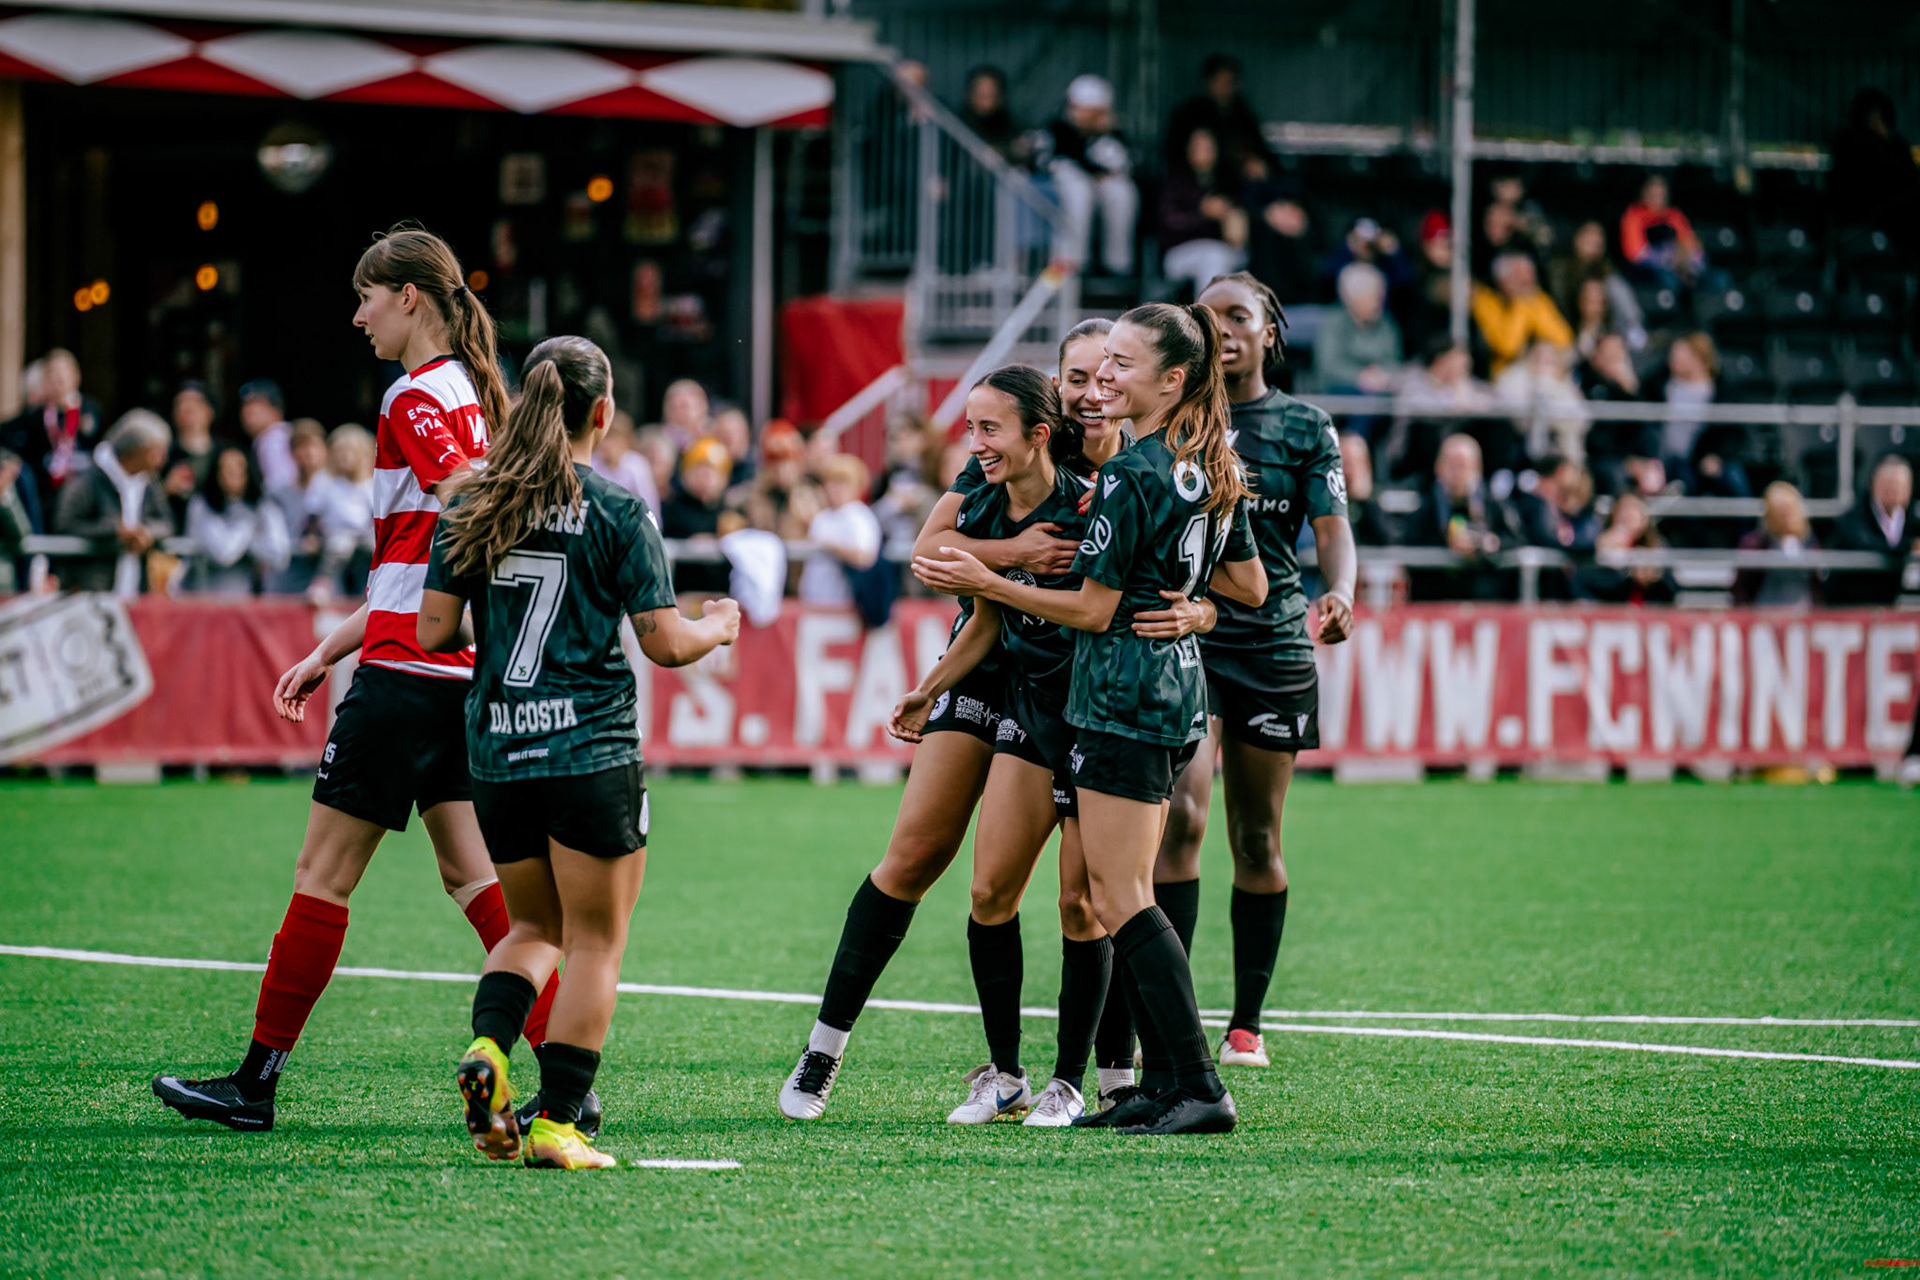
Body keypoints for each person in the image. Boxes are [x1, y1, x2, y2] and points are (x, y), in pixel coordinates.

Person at [150, 227, 564, 1135]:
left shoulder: (414, 396)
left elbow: (462, 499)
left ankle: (255, 1083)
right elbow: (422, 562)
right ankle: (572, 1085)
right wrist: (326, 651)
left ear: (409, 297)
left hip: (406, 682)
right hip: (457, 676)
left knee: (322, 876)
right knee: (473, 880)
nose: (357, 314)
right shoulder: (476, 394)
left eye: (368, 296)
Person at [913, 302, 1266, 1136]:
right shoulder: (1212, 460)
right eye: (1101, 364)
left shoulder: (1136, 471)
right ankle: (1163, 1082)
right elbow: (1249, 588)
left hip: (1122, 695)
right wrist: (1198, 614)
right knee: (1121, 894)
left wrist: (994, 588)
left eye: (1122, 367)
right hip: (1174, 690)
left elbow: (1094, 608)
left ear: (1171, 381)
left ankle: (1198, 1085)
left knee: (1120, 897)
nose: (1103, 380)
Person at [775, 318, 1132, 1124]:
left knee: (1086, 893)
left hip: (1065, 695)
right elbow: (936, 560)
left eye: (1096, 377)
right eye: (1073, 376)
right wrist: (1010, 563)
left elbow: (1098, 597)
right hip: (985, 665)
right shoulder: (988, 480)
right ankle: (824, 1052)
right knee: (914, 857)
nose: (1087, 391)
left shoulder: (1112, 485)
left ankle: (1101, 1076)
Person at [420, 335, 740, 1170]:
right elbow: (665, 644)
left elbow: (432, 631)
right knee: (596, 941)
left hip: (497, 749)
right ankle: (559, 1122)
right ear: (603, 413)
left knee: (531, 926)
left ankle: (489, 1051)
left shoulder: (470, 502)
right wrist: (719, 627)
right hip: (590, 750)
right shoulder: (620, 508)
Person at [883, 367, 1106, 1125]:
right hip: (1030, 709)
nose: (973, 444)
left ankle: (1070, 1083)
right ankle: (1006, 1075)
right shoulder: (987, 499)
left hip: (1095, 712)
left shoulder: (1090, 502)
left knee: (1082, 903)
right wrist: (932, 687)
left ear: (1038, 435)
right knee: (988, 893)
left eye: (988, 429)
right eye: (970, 427)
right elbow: (976, 611)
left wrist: (999, 572)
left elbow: (1096, 610)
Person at [1149, 271, 1355, 1072]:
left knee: (1257, 837)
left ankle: (1246, 1022)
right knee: (1184, 819)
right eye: (1209, 318)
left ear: (1271, 331)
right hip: (1185, 638)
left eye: (1239, 316)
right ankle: (1176, 1017)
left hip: (1271, 643)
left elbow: (1335, 528)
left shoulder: (1306, 425)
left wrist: (1340, 592)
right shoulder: (1172, 419)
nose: (1223, 329)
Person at [52, 409, 172, 595]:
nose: (161, 461)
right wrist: (114, 531)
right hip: (91, 587)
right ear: (134, 452)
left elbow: (167, 522)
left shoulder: (149, 482)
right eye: (155, 453)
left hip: (135, 585)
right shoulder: (87, 480)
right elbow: (65, 523)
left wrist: (147, 533)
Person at [1405, 433, 1525, 601]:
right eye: (1451, 465)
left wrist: (1490, 543)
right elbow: (1408, 545)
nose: (1457, 473)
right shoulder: (1426, 505)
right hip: (1436, 600)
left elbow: (1518, 540)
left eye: (1462, 466)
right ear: (1438, 467)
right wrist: (1446, 542)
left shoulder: (1492, 504)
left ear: (1477, 469)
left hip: (1484, 601)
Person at [1043, 75, 1138, 276]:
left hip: (1099, 184)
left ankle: (1117, 264)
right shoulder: (1058, 128)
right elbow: (1059, 155)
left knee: (1121, 192)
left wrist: (1105, 133)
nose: (1084, 115)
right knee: (1079, 192)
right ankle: (1074, 262)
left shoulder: (1111, 132)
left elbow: (1124, 163)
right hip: (1064, 184)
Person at [2, 347, 100, 531]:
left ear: (75, 376)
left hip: (83, 495)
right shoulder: (38, 417)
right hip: (47, 498)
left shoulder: (91, 411)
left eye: (62, 375)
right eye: (51, 376)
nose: (57, 382)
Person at [185, 446, 290, 596]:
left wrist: (251, 545)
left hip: (253, 593)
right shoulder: (202, 504)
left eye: (239, 467)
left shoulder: (263, 506)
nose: (233, 473)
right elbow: (223, 553)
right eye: (226, 468)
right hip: (209, 592)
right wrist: (250, 528)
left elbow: (279, 555)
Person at [1158, 128, 1247, 301]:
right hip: (1178, 253)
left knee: (1233, 257)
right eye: (1197, 147)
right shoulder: (1175, 182)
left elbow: (1240, 221)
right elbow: (1168, 223)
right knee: (1213, 257)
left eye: (1207, 147)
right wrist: (1203, 214)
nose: (1202, 152)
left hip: (1225, 250)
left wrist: (1229, 219)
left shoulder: (1227, 181)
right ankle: (1208, 320)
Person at [1163, 54, 1277, 185]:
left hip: (1238, 189)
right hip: (1197, 188)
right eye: (1220, 82)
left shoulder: (1244, 118)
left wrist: (1259, 166)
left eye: (1229, 82)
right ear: (1207, 83)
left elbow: (1261, 153)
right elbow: (1175, 161)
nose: (1225, 89)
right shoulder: (1188, 117)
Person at [1829, 87, 1919, 243]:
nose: (1877, 123)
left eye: (1880, 117)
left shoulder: (1895, 144)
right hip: (1865, 210)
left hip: (1890, 210)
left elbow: (1908, 175)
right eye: (1873, 117)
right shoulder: (1852, 143)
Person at [1828, 456, 1915, 605]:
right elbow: (1864, 544)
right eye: (1888, 486)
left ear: (1909, 489)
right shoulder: (1855, 516)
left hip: (1895, 604)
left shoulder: (1913, 517)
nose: (1894, 491)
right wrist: (1909, 547)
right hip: (1854, 603)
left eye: (1899, 486)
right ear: (1874, 486)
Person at [798, 454, 883, 608]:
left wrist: (831, 547)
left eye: (843, 483)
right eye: (832, 483)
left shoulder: (860, 516)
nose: (836, 489)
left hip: (842, 602)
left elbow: (864, 557)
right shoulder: (822, 517)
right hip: (812, 599)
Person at [1471, 251, 1573, 377]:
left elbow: (1564, 340)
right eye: (1519, 275)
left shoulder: (1537, 299)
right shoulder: (1486, 300)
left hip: (1537, 373)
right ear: (1502, 279)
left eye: (1530, 274)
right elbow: (1508, 346)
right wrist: (1521, 305)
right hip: (1503, 376)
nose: (1527, 281)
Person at [306, 424, 377, 601]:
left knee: (376, 548)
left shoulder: (368, 483)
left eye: (350, 452)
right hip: (334, 532)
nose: (343, 457)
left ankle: (373, 587)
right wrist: (312, 535)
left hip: (364, 532)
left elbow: (373, 513)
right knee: (340, 546)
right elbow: (313, 513)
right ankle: (323, 584)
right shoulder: (324, 481)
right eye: (339, 452)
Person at [1549, 222, 1646, 351]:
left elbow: (1613, 301)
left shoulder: (1606, 270)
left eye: (1597, 243)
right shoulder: (1559, 267)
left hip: (1603, 324)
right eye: (1588, 239)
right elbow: (1559, 302)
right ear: (1577, 239)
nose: (1592, 245)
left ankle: (1633, 330)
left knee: (1612, 285)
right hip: (1568, 321)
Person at [1311, 261, 1403, 396]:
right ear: (1351, 298)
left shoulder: (1386, 324)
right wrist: (1360, 377)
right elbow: (1328, 366)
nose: (1378, 304)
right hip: (1338, 387)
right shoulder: (1333, 322)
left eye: (1380, 297)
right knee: (1367, 398)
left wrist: (1381, 374)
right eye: (1373, 297)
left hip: (1380, 386)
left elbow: (1394, 360)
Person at [659, 436, 737, 594]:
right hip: (680, 594)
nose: (706, 477)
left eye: (713, 472)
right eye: (700, 470)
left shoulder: (731, 512)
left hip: (721, 594)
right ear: (686, 473)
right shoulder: (670, 509)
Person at [1574, 492, 1676, 604]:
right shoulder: (1600, 540)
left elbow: (1672, 590)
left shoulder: (1657, 546)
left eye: (1633, 509)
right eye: (1623, 509)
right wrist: (1600, 550)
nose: (1627, 515)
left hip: (1648, 613)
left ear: (1644, 518)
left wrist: (1655, 577)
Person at [1732, 481, 1823, 607]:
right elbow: (1742, 589)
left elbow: (1817, 586)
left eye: (1789, 511)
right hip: (1763, 614)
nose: (1786, 518)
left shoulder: (1810, 544)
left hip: (1803, 614)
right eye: (1780, 513)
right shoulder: (1754, 544)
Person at [1619, 174, 1705, 289]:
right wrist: (1670, 259)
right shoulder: (1633, 215)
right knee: (1670, 281)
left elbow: (1694, 248)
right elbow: (1636, 254)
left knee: (1717, 279)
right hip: (1649, 270)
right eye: (1652, 194)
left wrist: (1692, 265)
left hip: (1682, 267)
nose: (1657, 198)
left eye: (1660, 194)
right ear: (1643, 193)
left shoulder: (1675, 215)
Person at [161, 381, 221, 531]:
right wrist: (165, 489)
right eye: (181, 403)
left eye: (195, 402)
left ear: (210, 411)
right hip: (174, 536)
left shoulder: (226, 453)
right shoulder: (162, 455)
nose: (188, 408)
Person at [590, 410, 662, 520]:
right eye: (604, 438)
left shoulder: (637, 466)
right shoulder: (591, 464)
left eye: (613, 439)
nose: (606, 444)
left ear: (625, 441)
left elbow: (649, 507)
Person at [238, 379, 298, 494]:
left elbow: (280, 487)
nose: (248, 410)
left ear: (276, 410)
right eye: (245, 405)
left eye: (258, 404)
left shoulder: (275, 439)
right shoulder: (268, 438)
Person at [958, 65, 1025, 166]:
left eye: (991, 96)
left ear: (1000, 97)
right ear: (970, 95)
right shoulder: (957, 125)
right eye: (982, 96)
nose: (987, 103)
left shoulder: (1008, 124)